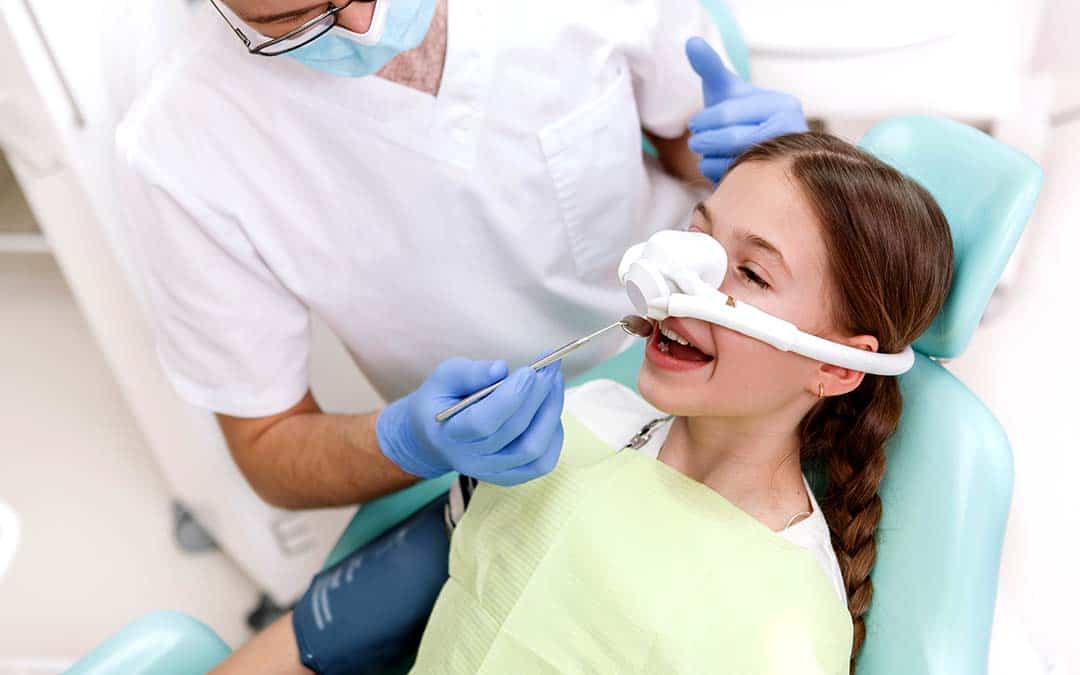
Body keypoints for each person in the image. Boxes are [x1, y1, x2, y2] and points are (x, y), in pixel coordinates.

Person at [208, 131, 955, 674]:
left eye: (750, 274)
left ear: (839, 367)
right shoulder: (583, 420)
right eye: (697, 237)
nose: (679, 279)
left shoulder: (781, 628)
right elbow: (361, 611)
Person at [116, 0, 808, 507]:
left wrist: (757, 159)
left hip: (724, 350)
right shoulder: (178, 145)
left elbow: (686, 137)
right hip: (516, 460)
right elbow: (268, 445)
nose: (364, 29)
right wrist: (407, 439)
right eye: (296, 21)